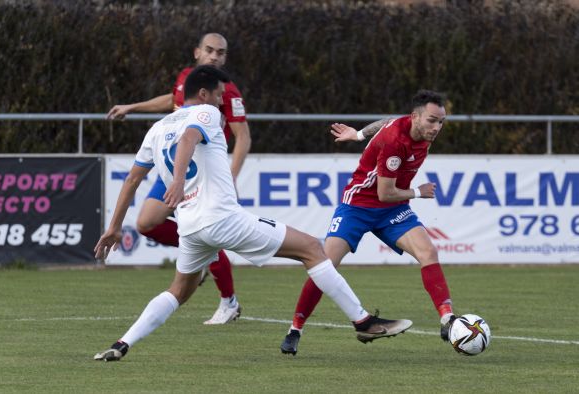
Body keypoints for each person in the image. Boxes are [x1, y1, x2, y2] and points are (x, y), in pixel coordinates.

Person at [93, 65, 412, 361]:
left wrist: (114, 227)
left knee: (179, 290)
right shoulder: (205, 112)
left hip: (190, 226)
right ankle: (363, 321)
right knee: (313, 249)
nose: (222, 102)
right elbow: (189, 138)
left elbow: (133, 178)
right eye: (219, 95)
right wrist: (177, 180)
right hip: (221, 217)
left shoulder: (156, 129)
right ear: (203, 95)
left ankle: (122, 344)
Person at [280, 90, 456, 356]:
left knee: (428, 251)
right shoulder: (396, 141)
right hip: (358, 206)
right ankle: (295, 329)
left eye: (441, 122)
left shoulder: (416, 129)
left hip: (392, 210)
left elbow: (385, 119)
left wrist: (359, 134)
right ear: (416, 117)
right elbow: (385, 192)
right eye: (432, 120)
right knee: (324, 265)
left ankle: (448, 319)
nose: (437, 127)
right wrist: (419, 192)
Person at [107, 33, 251, 325]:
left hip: (203, 173)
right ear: (197, 51)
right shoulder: (187, 78)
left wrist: (230, 177)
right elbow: (170, 100)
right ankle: (199, 255)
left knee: (204, 232)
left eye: (220, 53)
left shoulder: (226, 91)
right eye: (209, 50)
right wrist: (132, 107)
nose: (214, 56)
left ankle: (229, 301)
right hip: (174, 167)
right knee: (147, 223)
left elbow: (243, 136)